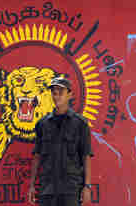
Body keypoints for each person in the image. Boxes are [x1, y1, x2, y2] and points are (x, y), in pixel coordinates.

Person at [28, 77, 94, 206]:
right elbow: (37, 156)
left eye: (61, 93)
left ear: (70, 94)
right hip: (47, 189)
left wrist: (87, 186)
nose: (57, 96)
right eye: (54, 93)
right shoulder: (42, 124)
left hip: (70, 189)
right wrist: (31, 185)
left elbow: (86, 156)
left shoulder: (80, 124)